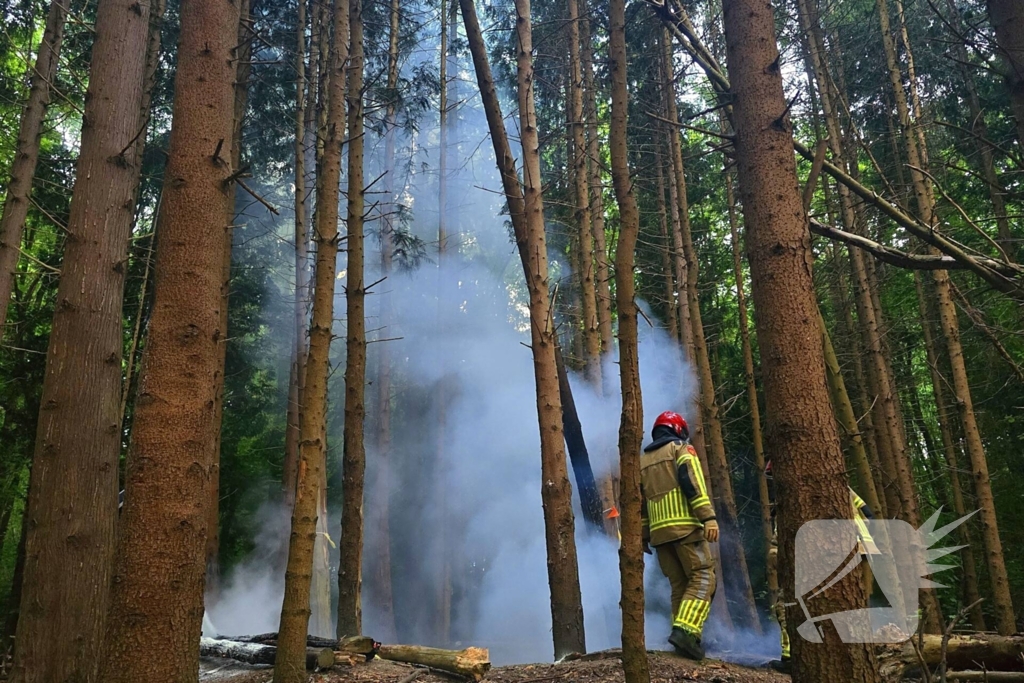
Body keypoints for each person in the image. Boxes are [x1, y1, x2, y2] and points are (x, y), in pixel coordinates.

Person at [764, 460, 879, 673]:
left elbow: (783, 543)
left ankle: (792, 658)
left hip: (829, 555)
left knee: (787, 603)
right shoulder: (838, 485)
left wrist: (777, 559)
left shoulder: (795, 497)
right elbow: (869, 514)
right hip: (860, 550)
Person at [641, 411, 719, 661]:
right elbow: (692, 483)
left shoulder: (642, 461)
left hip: (660, 535)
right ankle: (686, 631)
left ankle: (684, 642)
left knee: (680, 586)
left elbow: (639, 502)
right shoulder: (681, 449)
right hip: (686, 528)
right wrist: (708, 517)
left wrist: (643, 535)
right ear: (677, 429)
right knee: (704, 577)